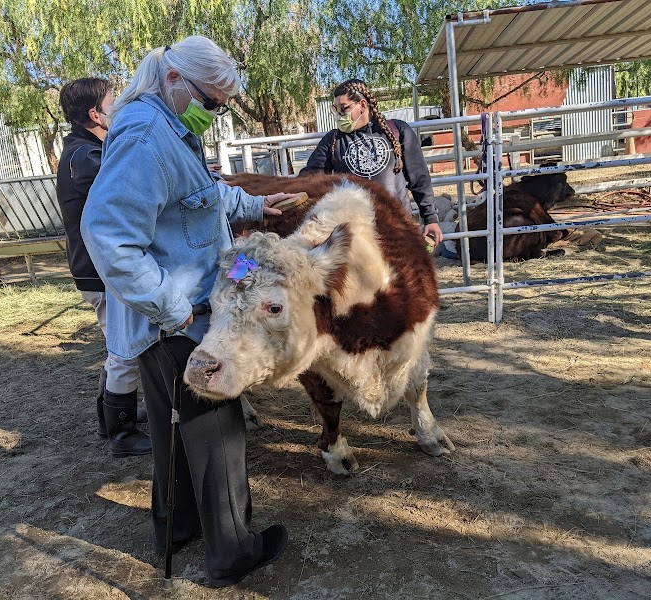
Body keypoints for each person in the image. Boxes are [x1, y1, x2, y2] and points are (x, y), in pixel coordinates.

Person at [80, 37, 291, 586]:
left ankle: (174, 528)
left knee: (176, 436)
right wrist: (175, 310)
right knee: (220, 432)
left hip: (186, 313)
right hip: (181, 321)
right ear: (174, 78)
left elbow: (202, 197)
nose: (214, 113)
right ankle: (232, 552)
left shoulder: (169, 129)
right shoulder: (148, 137)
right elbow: (108, 236)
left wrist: (257, 206)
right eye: (212, 102)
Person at [56, 77, 152, 457]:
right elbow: (133, 187)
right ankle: (121, 432)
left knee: (120, 347)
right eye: (115, 102)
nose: (121, 107)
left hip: (98, 268)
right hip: (101, 270)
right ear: (96, 114)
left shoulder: (86, 152)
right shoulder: (90, 159)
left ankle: (111, 417)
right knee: (125, 351)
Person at [299, 79, 444, 245]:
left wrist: (430, 218)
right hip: (355, 232)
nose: (339, 115)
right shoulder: (332, 140)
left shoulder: (397, 131)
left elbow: (419, 178)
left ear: (362, 104)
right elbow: (311, 176)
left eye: (344, 108)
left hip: (396, 225)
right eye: (336, 110)